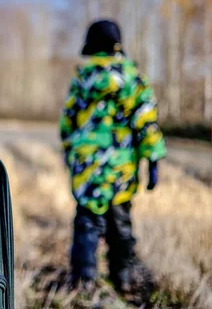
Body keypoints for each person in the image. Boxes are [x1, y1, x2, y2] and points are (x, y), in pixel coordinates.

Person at [59, 19, 167, 293]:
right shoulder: (132, 79)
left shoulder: (82, 79)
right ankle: (123, 276)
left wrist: (70, 153)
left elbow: (68, 122)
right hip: (121, 169)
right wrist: (153, 158)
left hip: (87, 171)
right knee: (121, 225)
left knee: (86, 224)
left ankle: (83, 281)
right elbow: (146, 121)